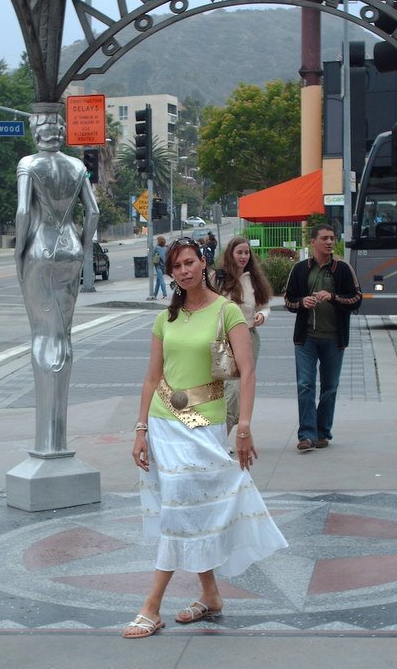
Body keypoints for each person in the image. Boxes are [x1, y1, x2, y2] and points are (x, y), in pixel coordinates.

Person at [124, 237, 287, 639]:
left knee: (183, 509)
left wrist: (244, 427)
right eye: (176, 266)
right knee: (182, 508)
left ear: (203, 263)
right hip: (164, 424)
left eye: (189, 262)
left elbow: (246, 373)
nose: (183, 271)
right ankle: (210, 595)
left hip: (205, 424)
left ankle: (151, 605)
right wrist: (140, 429)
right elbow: (151, 377)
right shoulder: (167, 318)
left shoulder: (227, 311)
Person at [15, 103, 99, 454]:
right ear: (60, 131)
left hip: (40, 249)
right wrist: (83, 246)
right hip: (70, 249)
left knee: (42, 336)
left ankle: (46, 442)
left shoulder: (29, 165)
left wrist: (20, 252)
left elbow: (22, 211)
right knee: (62, 335)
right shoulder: (77, 166)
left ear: (37, 131)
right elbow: (92, 212)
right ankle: (57, 436)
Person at [284, 224, 362, 452]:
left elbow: (357, 299)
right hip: (306, 338)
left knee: (329, 388)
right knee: (305, 385)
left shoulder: (343, 269)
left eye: (332, 238)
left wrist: (333, 297)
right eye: (325, 238)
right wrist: (302, 303)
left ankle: (323, 432)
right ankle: (306, 435)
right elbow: (289, 300)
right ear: (314, 242)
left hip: (334, 339)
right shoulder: (300, 269)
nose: (329, 242)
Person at [216, 235, 272, 434]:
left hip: (249, 337)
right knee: (229, 391)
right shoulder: (220, 278)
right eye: (239, 252)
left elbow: (265, 306)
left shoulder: (254, 279)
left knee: (241, 389)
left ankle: (223, 436)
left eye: (246, 252)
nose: (243, 256)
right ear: (231, 254)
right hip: (224, 340)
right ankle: (220, 439)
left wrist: (262, 315)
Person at [150, 235, 167, 299]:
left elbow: (151, 254)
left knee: (161, 280)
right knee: (158, 281)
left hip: (158, 266)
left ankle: (164, 293)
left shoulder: (156, 248)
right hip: (164, 266)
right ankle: (155, 294)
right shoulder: (165, 248)